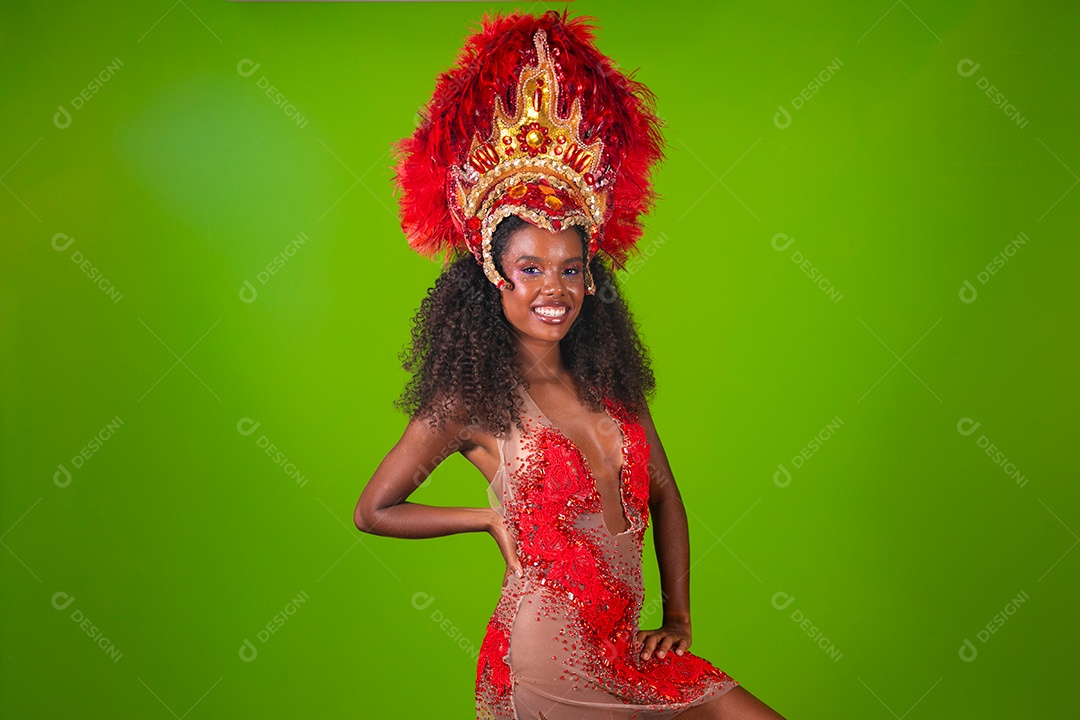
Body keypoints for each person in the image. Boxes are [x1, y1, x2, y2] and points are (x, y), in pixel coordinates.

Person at [355, 9, 787, 720]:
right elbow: (374, 510)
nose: (552, 289)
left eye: (570, 269)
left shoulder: (611, 382)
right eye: (530, 268)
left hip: (627, 644)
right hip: (546, 656)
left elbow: (666, 498)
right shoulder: (471, 397)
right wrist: (485, 518)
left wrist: (677, 621)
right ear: (498, 277)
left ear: (591, 280)